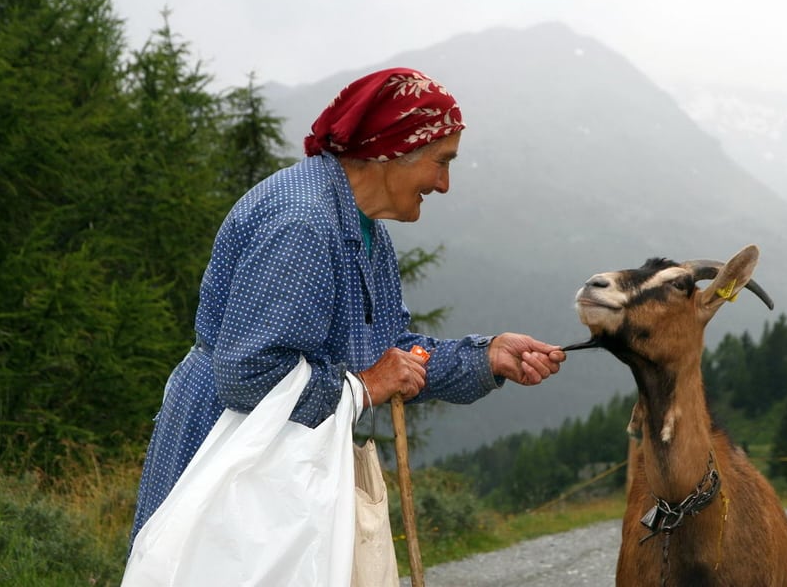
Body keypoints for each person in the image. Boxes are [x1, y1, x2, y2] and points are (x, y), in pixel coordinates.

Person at [129, 67, 566, 545]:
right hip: (228, 455)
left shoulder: (362, 228)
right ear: (393, 152)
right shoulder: (304, 223)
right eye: (441, 161)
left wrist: (485, 356)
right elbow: (248, 375)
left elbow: (392, 353)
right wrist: (363, 387)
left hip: (276, 463)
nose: (444, 184)